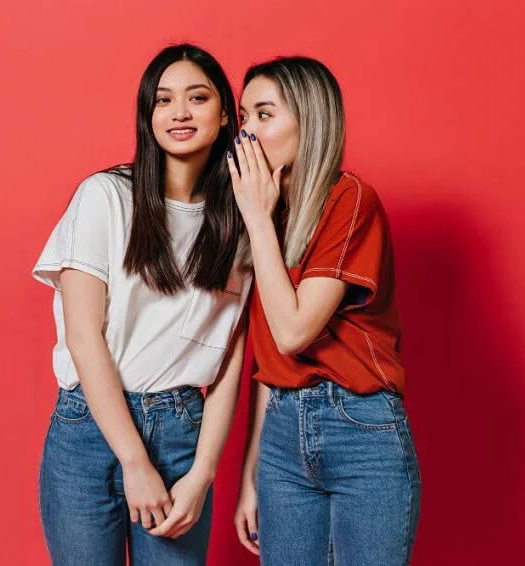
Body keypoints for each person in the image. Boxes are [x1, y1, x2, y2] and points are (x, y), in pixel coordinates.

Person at [31, 43, 251, 566]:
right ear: (146, 114)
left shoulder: (242, 223)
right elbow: (85, 337)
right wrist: (133, 460)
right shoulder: (105, 196)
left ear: (225, 115)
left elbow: (230, 355)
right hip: (89, 430)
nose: (179, 112)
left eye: (197, 98)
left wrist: (202, 472)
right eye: (163, 100)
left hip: (182, 433)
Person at [230, 56, 422, 566]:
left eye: (263, 115)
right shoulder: (266, 216)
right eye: (243, 116)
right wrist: (252, 472)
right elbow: (270, 360)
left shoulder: (349, 199)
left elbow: (294, 331)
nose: (246, 132)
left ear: (308, 120)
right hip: (281, 439)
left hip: (361, 431)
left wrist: (255, 218)